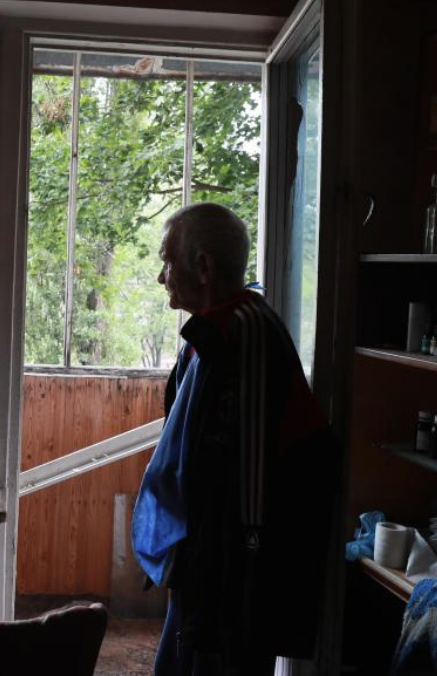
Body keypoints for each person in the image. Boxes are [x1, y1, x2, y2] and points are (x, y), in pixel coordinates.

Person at [131, 203, 335, 674]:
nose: (162, 277)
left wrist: (228, 594)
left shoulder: (245, 334)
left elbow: (251, 489)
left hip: (230, 582)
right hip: (202, 564)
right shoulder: (216, 331)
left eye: (168, 262)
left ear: (203, 266)